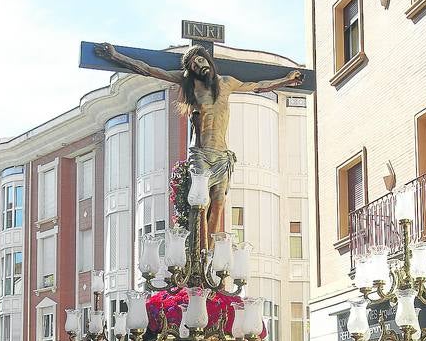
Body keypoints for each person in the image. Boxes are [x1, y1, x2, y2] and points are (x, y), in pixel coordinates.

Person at [95, 42, 303, 245]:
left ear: (208, 60)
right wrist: (115, 56)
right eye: (193, 65)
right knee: (200, 203)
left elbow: (258, 87)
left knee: (218, 204)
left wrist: (286, 80)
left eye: (200, 60)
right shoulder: (189, 84)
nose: (198, 65)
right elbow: (149, 70)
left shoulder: (227, 82)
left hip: (222, 156)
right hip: (200, 154)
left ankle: (208, 255)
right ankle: (197, 249)